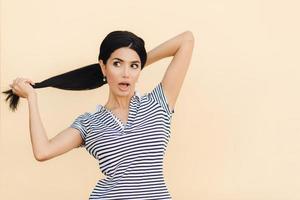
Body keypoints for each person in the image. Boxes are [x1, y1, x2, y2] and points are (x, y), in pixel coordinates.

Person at [3, 30, 194, 199]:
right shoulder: (89, 123)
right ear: (103, 67)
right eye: (117, 64)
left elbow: (186, 40)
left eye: (134, 66)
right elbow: (42, 151)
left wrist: (140, 60)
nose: (126, 73)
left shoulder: (158, 103)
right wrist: (32, 98)